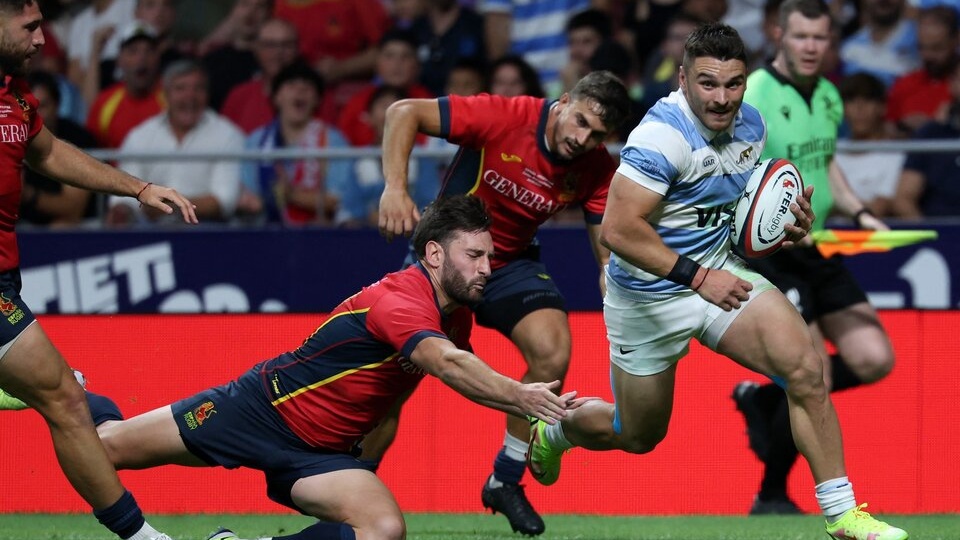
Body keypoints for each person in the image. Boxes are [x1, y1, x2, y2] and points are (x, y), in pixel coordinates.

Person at [524, 21, 908, 540]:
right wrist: (698, 277)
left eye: (733, 84)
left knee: (806, 370)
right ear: (682, 79)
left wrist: (786, 225)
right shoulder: (661, 136)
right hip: (648, 300)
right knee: (637, 435)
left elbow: (739, 212)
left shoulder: (752, 126)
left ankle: (842, 516)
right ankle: (559, 429)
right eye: (708, 83)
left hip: (721, 274)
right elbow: (617, 230)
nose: (722, 98)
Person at [80, 195, 577, 540]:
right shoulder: (398, 301)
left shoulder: (457, 314)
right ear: (432, 254)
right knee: (104, 448)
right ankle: (70, 392)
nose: (488, 268)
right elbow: (446, 364)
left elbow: (399, 391)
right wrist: (523, 396)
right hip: (259, 409)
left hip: (320, 455)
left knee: (383, 529)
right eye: (475, 255)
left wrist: (366, 464)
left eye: (490, 257)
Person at [376, 70, 631, 535]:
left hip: (506, 264)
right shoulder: (504, 116)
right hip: (444, 260)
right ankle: (355, 486)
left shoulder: (595, 168)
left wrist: (611, 281)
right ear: (565, 100)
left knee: (552, 351)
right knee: (394, 386)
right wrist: (395, 187)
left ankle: (505, 478)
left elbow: (605, 248)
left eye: (596, 135)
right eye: (579, 122)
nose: (582, 138)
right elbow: (402, 112)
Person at [0, 2, 196, 540]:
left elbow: (49, 153)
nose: (43, 40)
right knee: (65, 398)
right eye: (30, 27)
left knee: (68, 398)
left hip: (6, 277)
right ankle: (140, 536)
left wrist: (137, 188)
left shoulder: (14, 95)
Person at [735, 0, 898, 516]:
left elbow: (826, 167)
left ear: (831, 41)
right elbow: (735, 172)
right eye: (801, 36)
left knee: (874, 358)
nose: (811, 47)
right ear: (779, 33)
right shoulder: (754, 93)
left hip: (821, 245)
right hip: (773, 256)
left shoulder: (829, 94)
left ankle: (764, 399)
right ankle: (773, 494)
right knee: (813, 376)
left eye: (820, 38)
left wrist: (862, 212)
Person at [106, 60, 245, 226]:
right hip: (149, 230)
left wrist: (163, 206)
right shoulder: (140, 135)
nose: (190, 96)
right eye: (180, 88)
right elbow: (124, 195)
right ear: (165, 94)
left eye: (198, 88)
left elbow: (224, 201)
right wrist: (122, 210)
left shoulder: (228, 134)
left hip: (206, 231)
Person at [239, 62, 354, 225]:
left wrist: (291, 195)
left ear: (317, 100)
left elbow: (339, 200)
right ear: (276, 97)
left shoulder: (334, 141)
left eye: (308, 87)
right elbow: (248, 195)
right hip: (265, 232)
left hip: (318, 235)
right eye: (291, 85)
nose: (300, 91)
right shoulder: (256, 141)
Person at [20, 70, 101, 227]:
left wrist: (27, 194)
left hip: (75, 227)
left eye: (42, 106)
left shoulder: (78, 140)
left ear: (57, 106)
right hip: (20, 224)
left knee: (61, 226)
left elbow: (73, 209)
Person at [85, 20, 164, 149]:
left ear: (158, 58)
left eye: (149, 51)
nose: (141, 58)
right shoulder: (105, 102)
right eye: (133, 51)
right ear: (119, 60)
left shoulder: (172, 99)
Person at [835, 72, 904, 217]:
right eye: (852, 100)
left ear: (882, 107)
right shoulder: (832, 152)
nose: (859, 108)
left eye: (868, 100)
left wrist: (835, 205)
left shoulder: (895, 156)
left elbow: (878, 209)